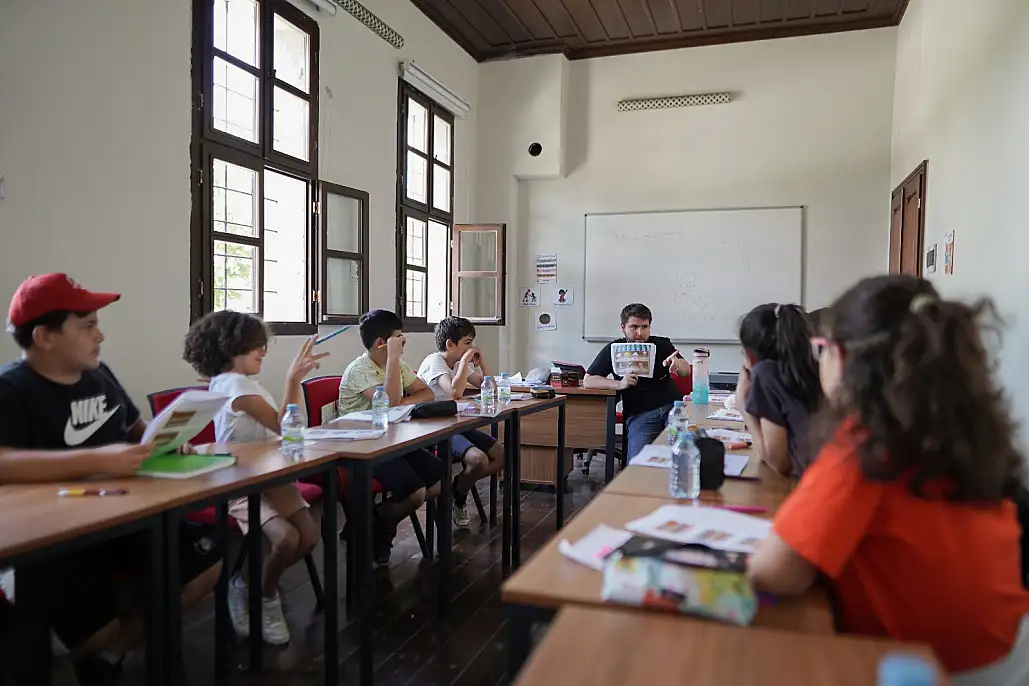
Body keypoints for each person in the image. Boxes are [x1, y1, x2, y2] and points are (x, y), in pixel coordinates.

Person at [748, 275, 1029, 683]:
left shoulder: (864, 445)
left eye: (821, 349)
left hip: (932, 669)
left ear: (842, 358)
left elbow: (775, 572)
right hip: (1009, 653)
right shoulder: (964, 430)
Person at [0, 273, 222, 685]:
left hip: (127, 516)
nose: (99, 336)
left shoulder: (100, 376)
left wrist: (168, 441)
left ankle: (111, 654)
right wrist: (96, 459)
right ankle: (90, 650)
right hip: (59, 535)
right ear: (45, 336)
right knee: (92, 634)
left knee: (204, 567)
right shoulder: (12, 389)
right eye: (87, 327)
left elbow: (137, 429)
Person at [182, 310, 326, 645]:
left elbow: (286, 430)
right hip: (238, 480)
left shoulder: (245, 384)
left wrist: (292, 382)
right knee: (287, 539)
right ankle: (263, 594)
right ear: (229, 348)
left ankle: (250, 583)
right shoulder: (233, 385)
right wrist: (292, 380)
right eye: (254, 345)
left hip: (269, 475)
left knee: (308, 537)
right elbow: (285, 426)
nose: (263, 350)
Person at [337, 309, 443, 564]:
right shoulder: (360, 369)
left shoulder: (397, 364)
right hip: (363, 447)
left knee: (441, 477)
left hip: (393, 441)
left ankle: (375, 519)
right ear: (381, 343)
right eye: (399, 339)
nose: (404, 343)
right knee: (416, 493)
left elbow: (427, 393)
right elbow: (389, 403)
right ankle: (383, 532)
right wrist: (394, 361)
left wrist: (401, 400)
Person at [416, 316, 504, 528]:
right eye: (467, 343)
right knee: (478, 460)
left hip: (455, 424)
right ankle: (460, 497)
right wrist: (465, 362)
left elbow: (490, 388)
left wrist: (482, 362)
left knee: (501, 454)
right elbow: (454, 392)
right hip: (435, 429)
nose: (471, 348)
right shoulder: (435, 361)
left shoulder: (458, 363)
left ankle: (457, 489)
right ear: (450, 344)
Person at [583, 303, 690, 460]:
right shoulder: (614, 348)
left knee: (683, 453)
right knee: (638, 462)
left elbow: (686, 371)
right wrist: (620, 384)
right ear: (623, 327)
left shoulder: (662, 344)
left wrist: (677, 364)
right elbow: (588, 380)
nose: (640, 333)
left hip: (672, 408)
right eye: (634, 327)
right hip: (640, 413)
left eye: (645, 327)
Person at [736, 303, 822, 477]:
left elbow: (779, 464)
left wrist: (743, 406)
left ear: (749, 357)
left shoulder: (766, 373)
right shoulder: (807, 366)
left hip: (810, 480)